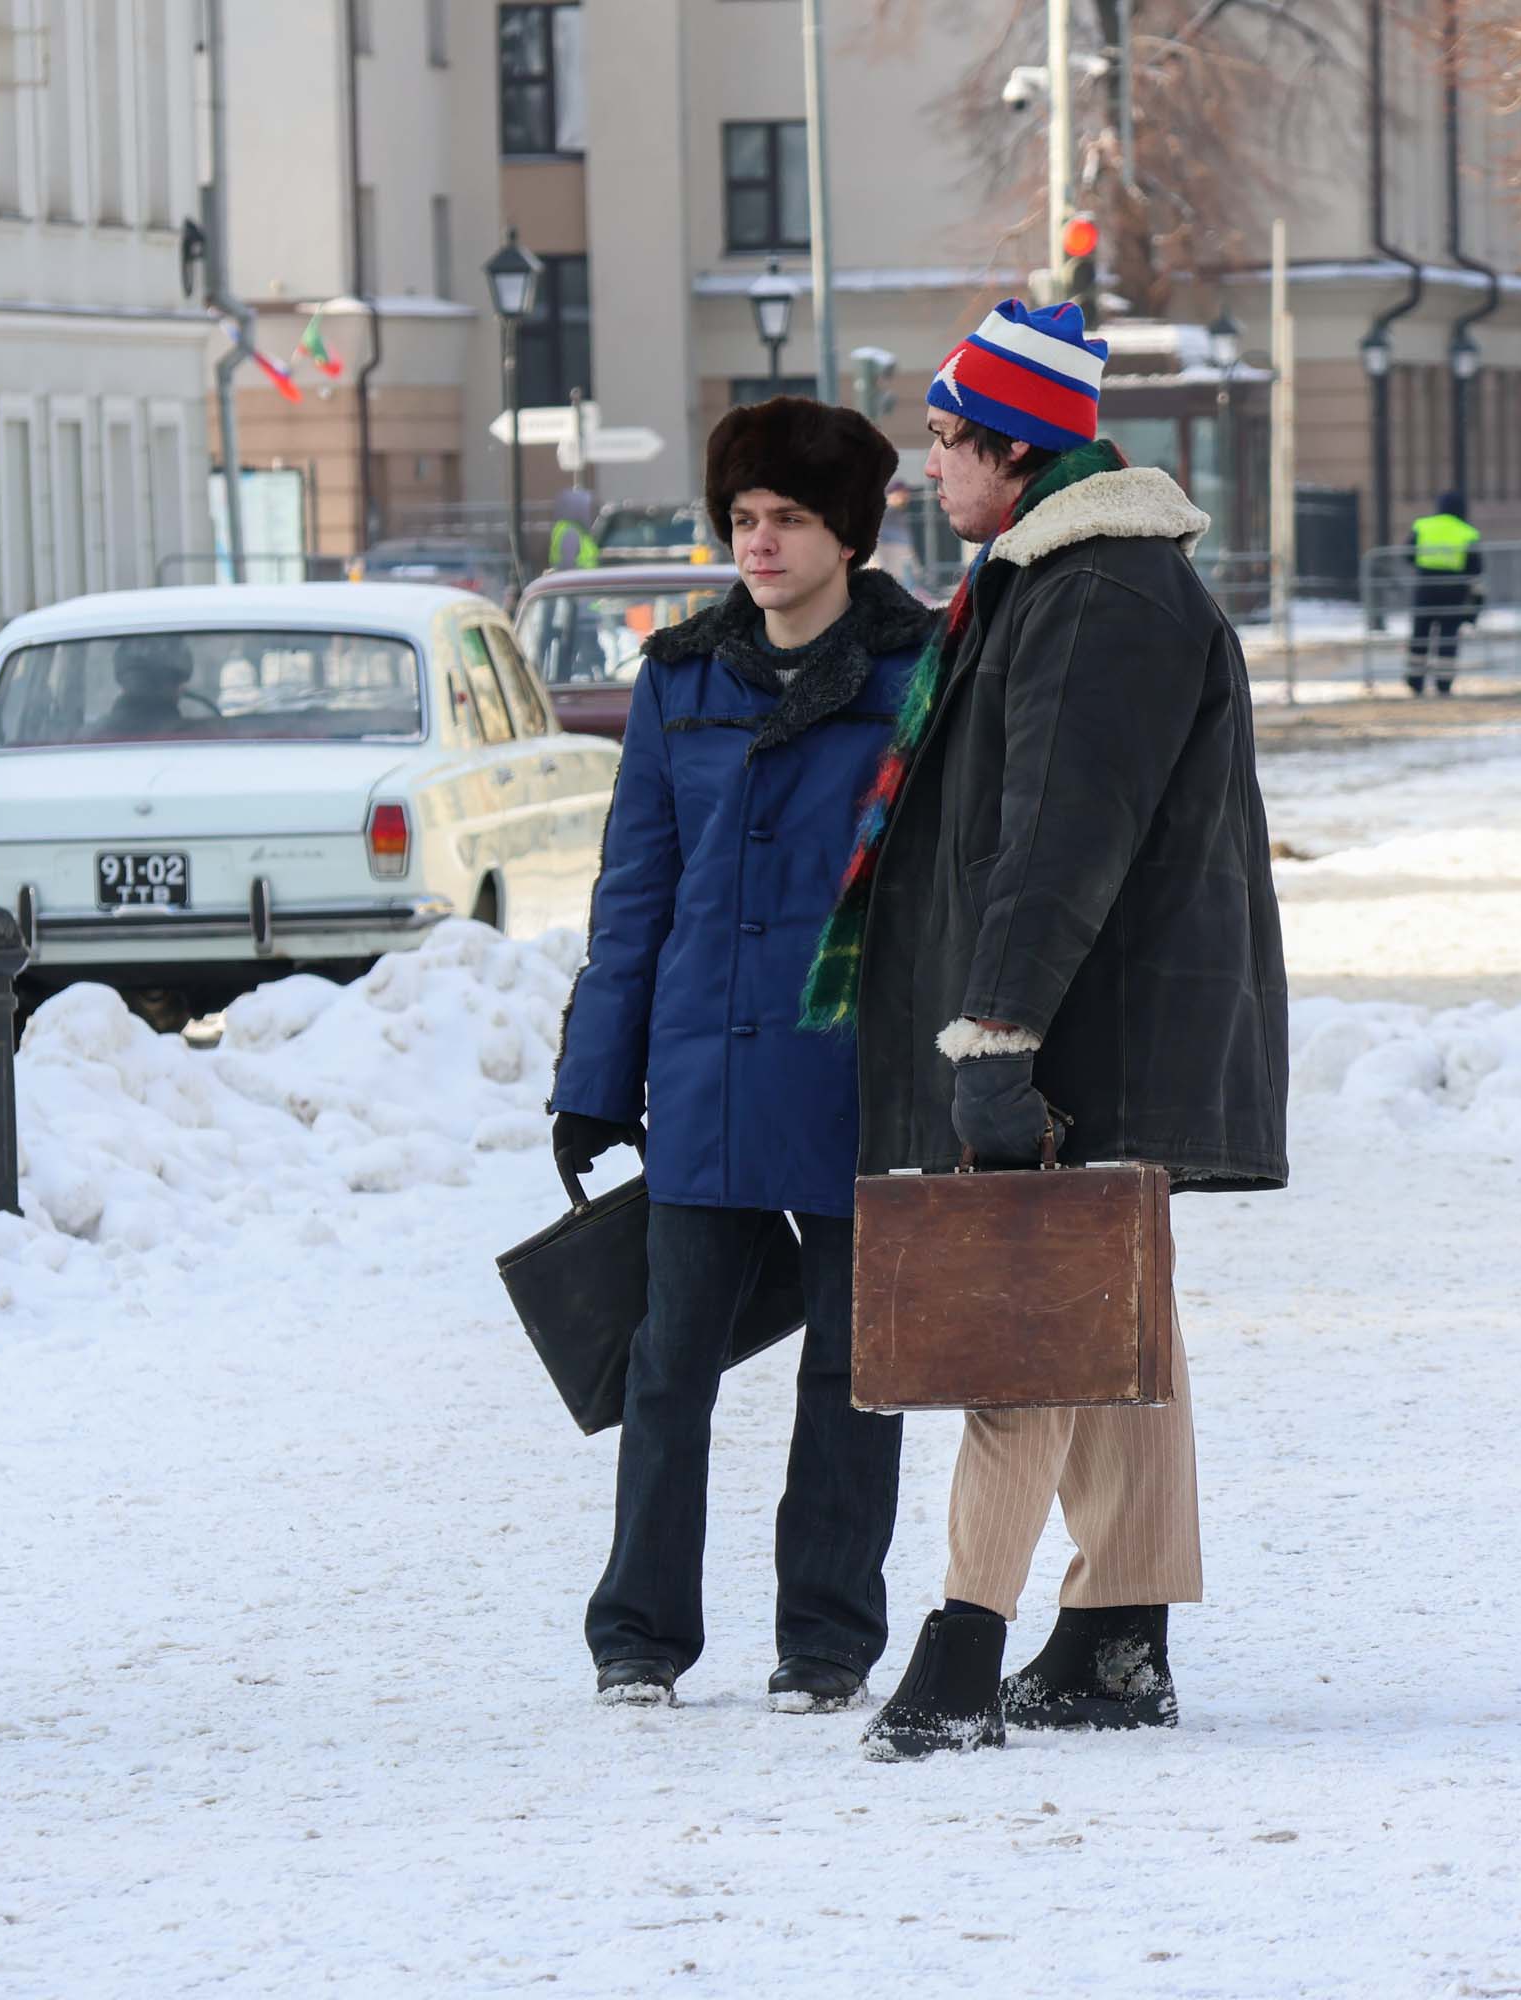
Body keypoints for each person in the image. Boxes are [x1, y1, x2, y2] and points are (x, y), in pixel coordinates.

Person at [798, 299, 1289, 1761]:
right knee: (1113, 1308)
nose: (925, 471)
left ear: (1018, 447)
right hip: (1099, 1017)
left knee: (1024, 1317)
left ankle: (960, 1652)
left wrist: (995, 1030)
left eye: (946, 442)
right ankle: (1113, 1640)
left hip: (1078, 1024)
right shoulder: (1063, 580)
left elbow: (1059, 838)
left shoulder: (1098, 596)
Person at [548, 396, 939, 1715]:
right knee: (668, 1368)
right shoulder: (681, 680)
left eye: (787, 519)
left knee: (851, 1368)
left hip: (852, 1072)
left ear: (849, 534)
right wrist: (595, 1082)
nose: (758, 544)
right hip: (705, 1068)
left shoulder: (919, 677)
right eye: (742, 520)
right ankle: (637, 1637)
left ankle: (826, 1642)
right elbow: (634, 893)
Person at [1404, 490, 1483, 696]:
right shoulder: (1467, 532)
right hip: (1454, 592)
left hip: (1425, 588)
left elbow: (1408, 554)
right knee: (1448, 637)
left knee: (1420, 635)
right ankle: (1443, 684)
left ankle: (1415, 681)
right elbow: (1475, 568)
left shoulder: (1423, 526)